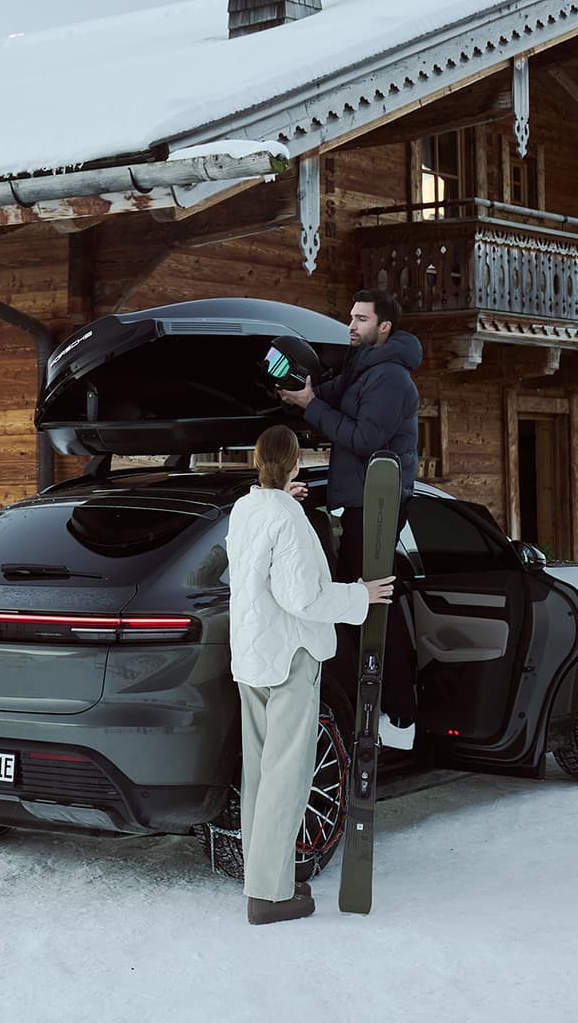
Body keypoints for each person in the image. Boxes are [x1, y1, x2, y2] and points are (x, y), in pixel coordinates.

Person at [226, 424, 394, 925]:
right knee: (287, 775)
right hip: (289, 658)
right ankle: (270, 895)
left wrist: (286, 499)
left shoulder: (246, 509)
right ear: (296, 463)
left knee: (260, 774)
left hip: (252, 658)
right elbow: (303, 598)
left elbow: (266, 548)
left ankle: (263, 881)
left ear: (258, 463)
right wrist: (362, 595)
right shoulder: (288, 520)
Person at [272, 289, 421, 579]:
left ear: (384, 326)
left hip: (376, 505)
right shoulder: (364, 366)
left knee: (363, 593)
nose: (351, 325)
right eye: (351, 317)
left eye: (362, 319)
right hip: (362, 501)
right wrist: (295, 395)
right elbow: (328, 393)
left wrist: (310, 404)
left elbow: (364, 440)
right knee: (355, 590)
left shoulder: (390, 377)